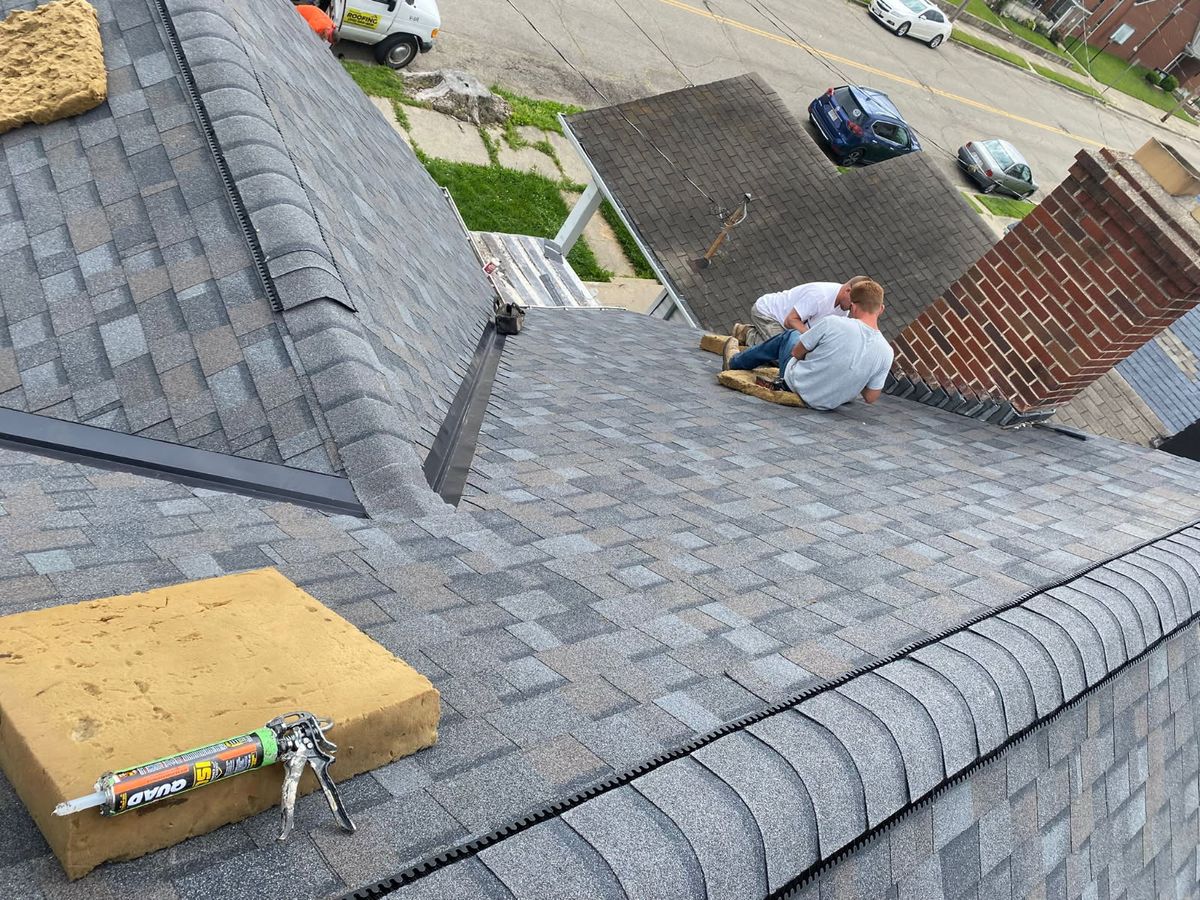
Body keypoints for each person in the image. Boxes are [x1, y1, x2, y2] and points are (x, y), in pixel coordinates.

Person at [721, 278, 892, 410]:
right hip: (831, 402)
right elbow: (870, 397)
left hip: (796, 385)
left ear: (853, 307)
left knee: (791, 336)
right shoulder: (887, 351)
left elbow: (796, 352)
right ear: (882, 309)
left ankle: (736, 362)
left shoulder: (833, 323)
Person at [732, 276, 871, 347]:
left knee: (795, 353)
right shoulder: (819, 295)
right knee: (780, 354)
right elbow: (790, 320)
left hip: (787, 326)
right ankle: (746, 333)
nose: (854, 309)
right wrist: (811, 338)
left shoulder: (844, 308)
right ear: (847, 290)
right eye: (854, 303)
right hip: (767, 313)